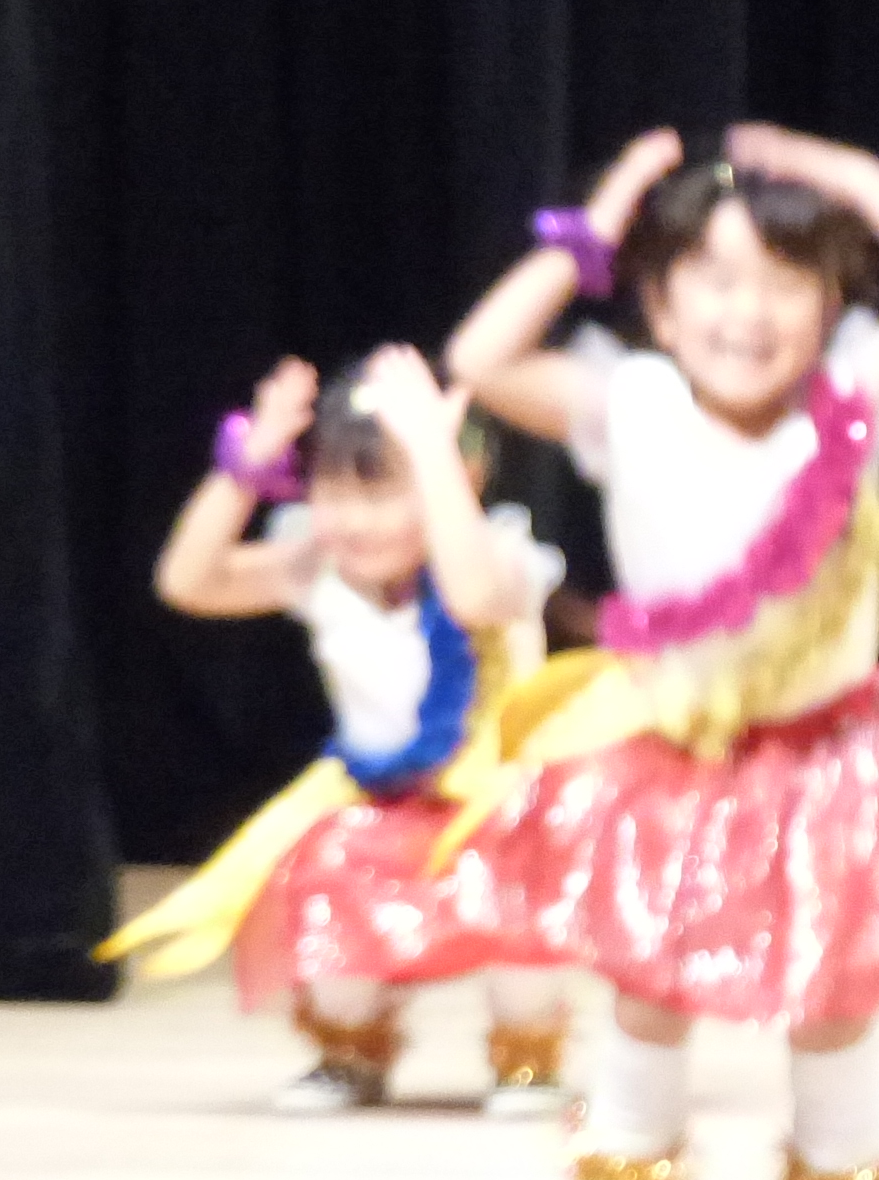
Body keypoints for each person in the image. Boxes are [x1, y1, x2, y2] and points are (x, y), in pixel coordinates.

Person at [441, 123, 879, 1180]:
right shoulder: (632, 403)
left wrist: (855, 178)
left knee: (833, 983)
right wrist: (593, 232)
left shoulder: (852, 397)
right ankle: (628, 1179)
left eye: (786, 282)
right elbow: (481, 355)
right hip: (676, 754)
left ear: (830, 307)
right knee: (652, 981)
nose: (748, 311)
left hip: (826, 754)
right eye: (713, 279)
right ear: (658, 307)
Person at [102, 347, 573, 1115]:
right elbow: (187, 582)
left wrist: (433, 452)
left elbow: (473, 597)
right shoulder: (317, 568)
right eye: (333, 491)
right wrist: (245, 468)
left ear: (460, 479)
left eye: (382, 494)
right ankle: (350, 1053)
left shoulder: (496, 559)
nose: (354, 520)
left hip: (492, 803)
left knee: (519, 891)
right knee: (326, 870)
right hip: (376, 800)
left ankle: (527, 1058)